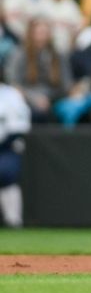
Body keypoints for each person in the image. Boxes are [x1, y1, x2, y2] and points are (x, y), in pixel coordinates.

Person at [0, 78, 31, 228]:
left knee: (6, 173)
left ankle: (13, 220)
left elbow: (21, 124)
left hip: (7, 144)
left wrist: (9, 139)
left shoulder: (10, 94)